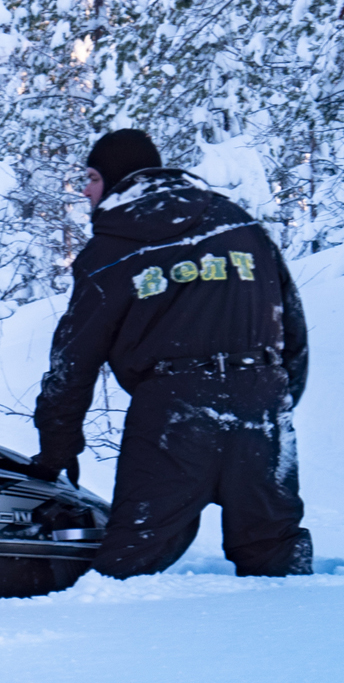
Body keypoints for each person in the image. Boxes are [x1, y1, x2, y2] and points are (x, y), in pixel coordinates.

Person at [32, 127, 310, 579]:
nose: (84, 189)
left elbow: (72, 362)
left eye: (92, 177)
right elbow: (292, 331)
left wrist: (55, 449)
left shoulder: (110, 250)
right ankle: (274, 646)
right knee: (274, 553)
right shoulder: (238, 224)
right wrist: (274, 402)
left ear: (118, 179)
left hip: (173, 413)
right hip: (261, 403)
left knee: (130, 565)